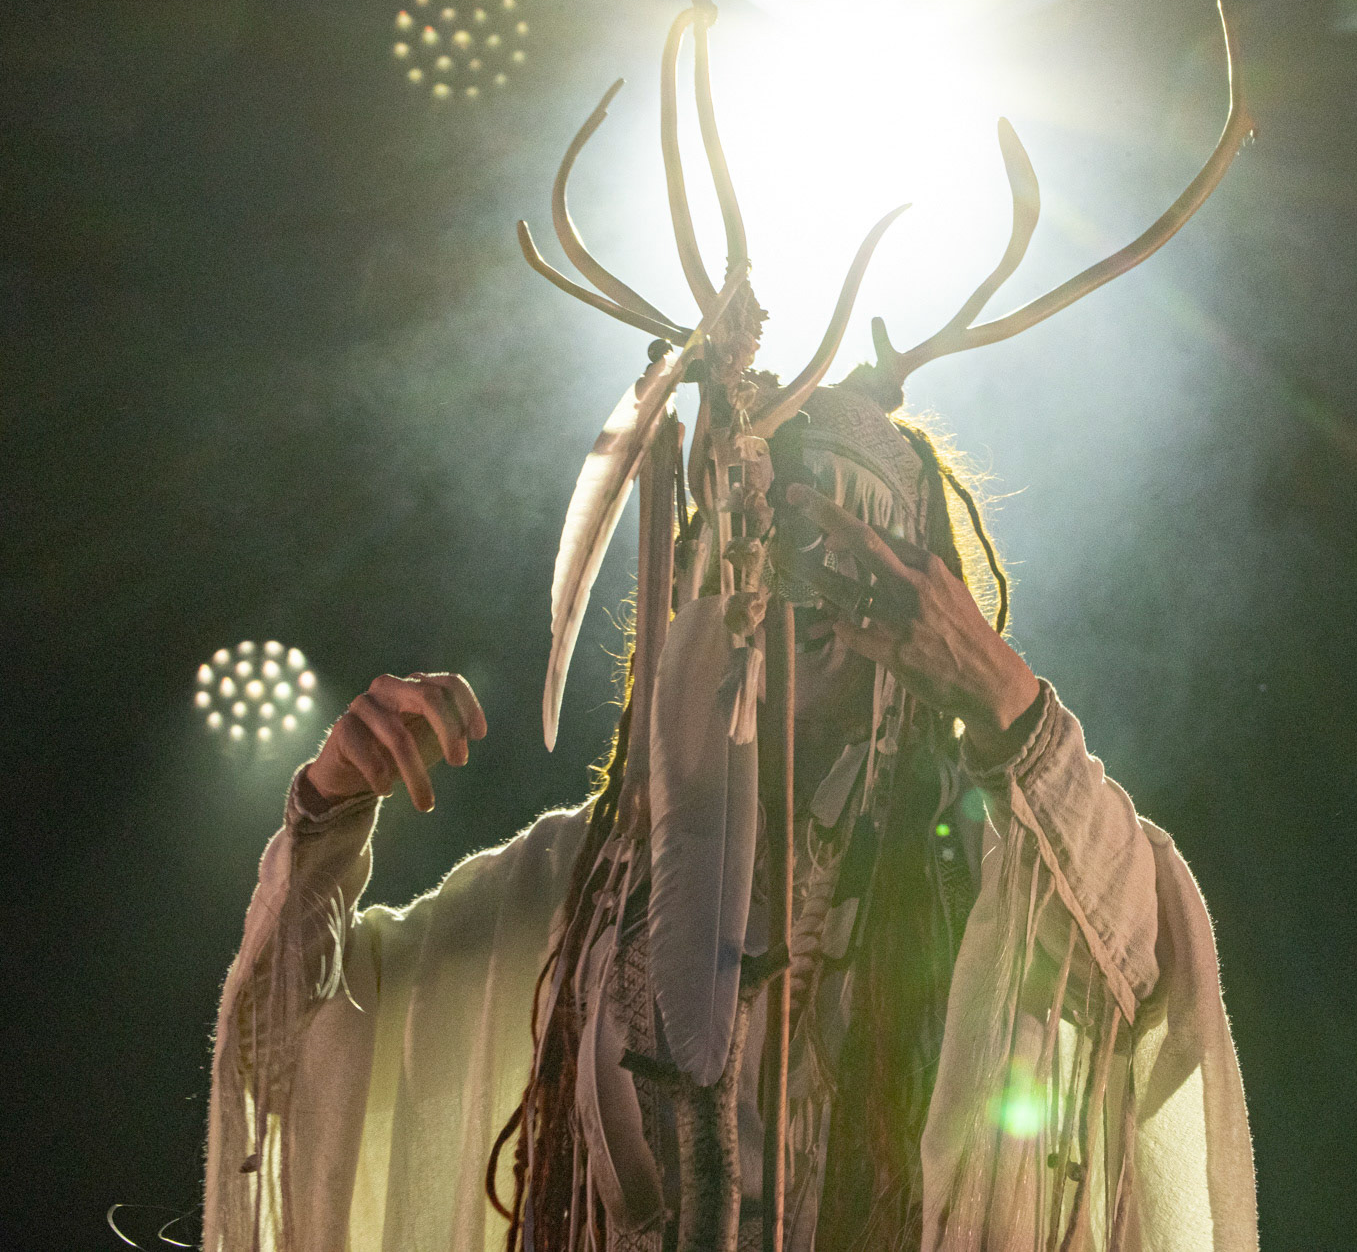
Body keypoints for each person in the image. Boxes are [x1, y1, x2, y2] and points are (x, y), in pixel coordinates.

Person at [203, 382, 1256, 1252]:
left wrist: (1004, 698)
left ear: (927, 592)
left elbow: (1149, 968)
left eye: (849, 543)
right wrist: (328, 808)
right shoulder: (584, 885)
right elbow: (287, 1043)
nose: (799, 590)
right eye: (763, 541)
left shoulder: (987, 877)